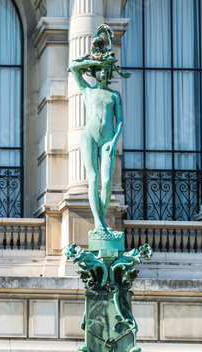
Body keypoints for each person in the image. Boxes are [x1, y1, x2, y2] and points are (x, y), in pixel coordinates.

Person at [69, 25, 129, 231]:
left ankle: (102, 220)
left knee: (107, 181)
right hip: (89, 137)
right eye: (99, 69)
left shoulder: (114, 95)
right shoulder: (87, 90)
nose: (102, 72)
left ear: (109, 71)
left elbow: (120, 121)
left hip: (108, 140)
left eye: (105, 69)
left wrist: (114, 142)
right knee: (93, 178)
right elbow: (73, 67)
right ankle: (98, 223)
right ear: (95, 72)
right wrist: (94, 59)